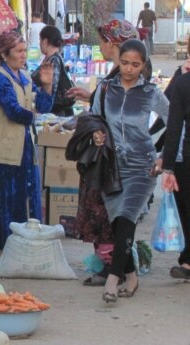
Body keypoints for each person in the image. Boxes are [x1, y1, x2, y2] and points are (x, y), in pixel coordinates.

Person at [90, 39, 169, 303]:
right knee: (118, 225)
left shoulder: (150, 92)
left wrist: (162, 156)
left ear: (143, 66)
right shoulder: (105, 89)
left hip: (142, 166)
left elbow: (174, 121)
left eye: (135, 65)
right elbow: (94, 120)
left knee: (125, 219)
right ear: (118, 61)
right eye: (125, 63)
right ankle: (132, 278)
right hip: (113, 166)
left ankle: (113, 279)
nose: (129, 69)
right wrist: (98, 135)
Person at [66, 19, 140, 287]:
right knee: (105, 212)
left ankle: (116, 270)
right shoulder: (116, 74)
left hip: (114, 159)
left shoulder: (126, 75)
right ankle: (113, 268)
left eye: (102, 42)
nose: (101, 47)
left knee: (107, 213)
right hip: (107, 154)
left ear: (112, 43)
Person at [0, 31, 54, 264]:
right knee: (0, 204)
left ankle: (20, 251)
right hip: (1, 152)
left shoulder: (25, 76)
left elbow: (44, 105)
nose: (23, 55)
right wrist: (34, 116)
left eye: (24, 51)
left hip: (22, 150)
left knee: (22, 202)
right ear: (4, 54)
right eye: (18, 51)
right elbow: (14, 111)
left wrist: (47, 86)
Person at [155, 64, 190, 279]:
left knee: (186, 210)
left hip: (187, 159)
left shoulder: (183, 83)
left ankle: (188, 261)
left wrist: (168, 167)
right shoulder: (183, 83)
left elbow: (174, 126)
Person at [34, 25, 74, 117]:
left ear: (45, 41)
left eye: (40, 40)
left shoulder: (53, 61)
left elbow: (52, 88)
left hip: (55, 113)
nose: (39, 43)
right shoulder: (54, 58)